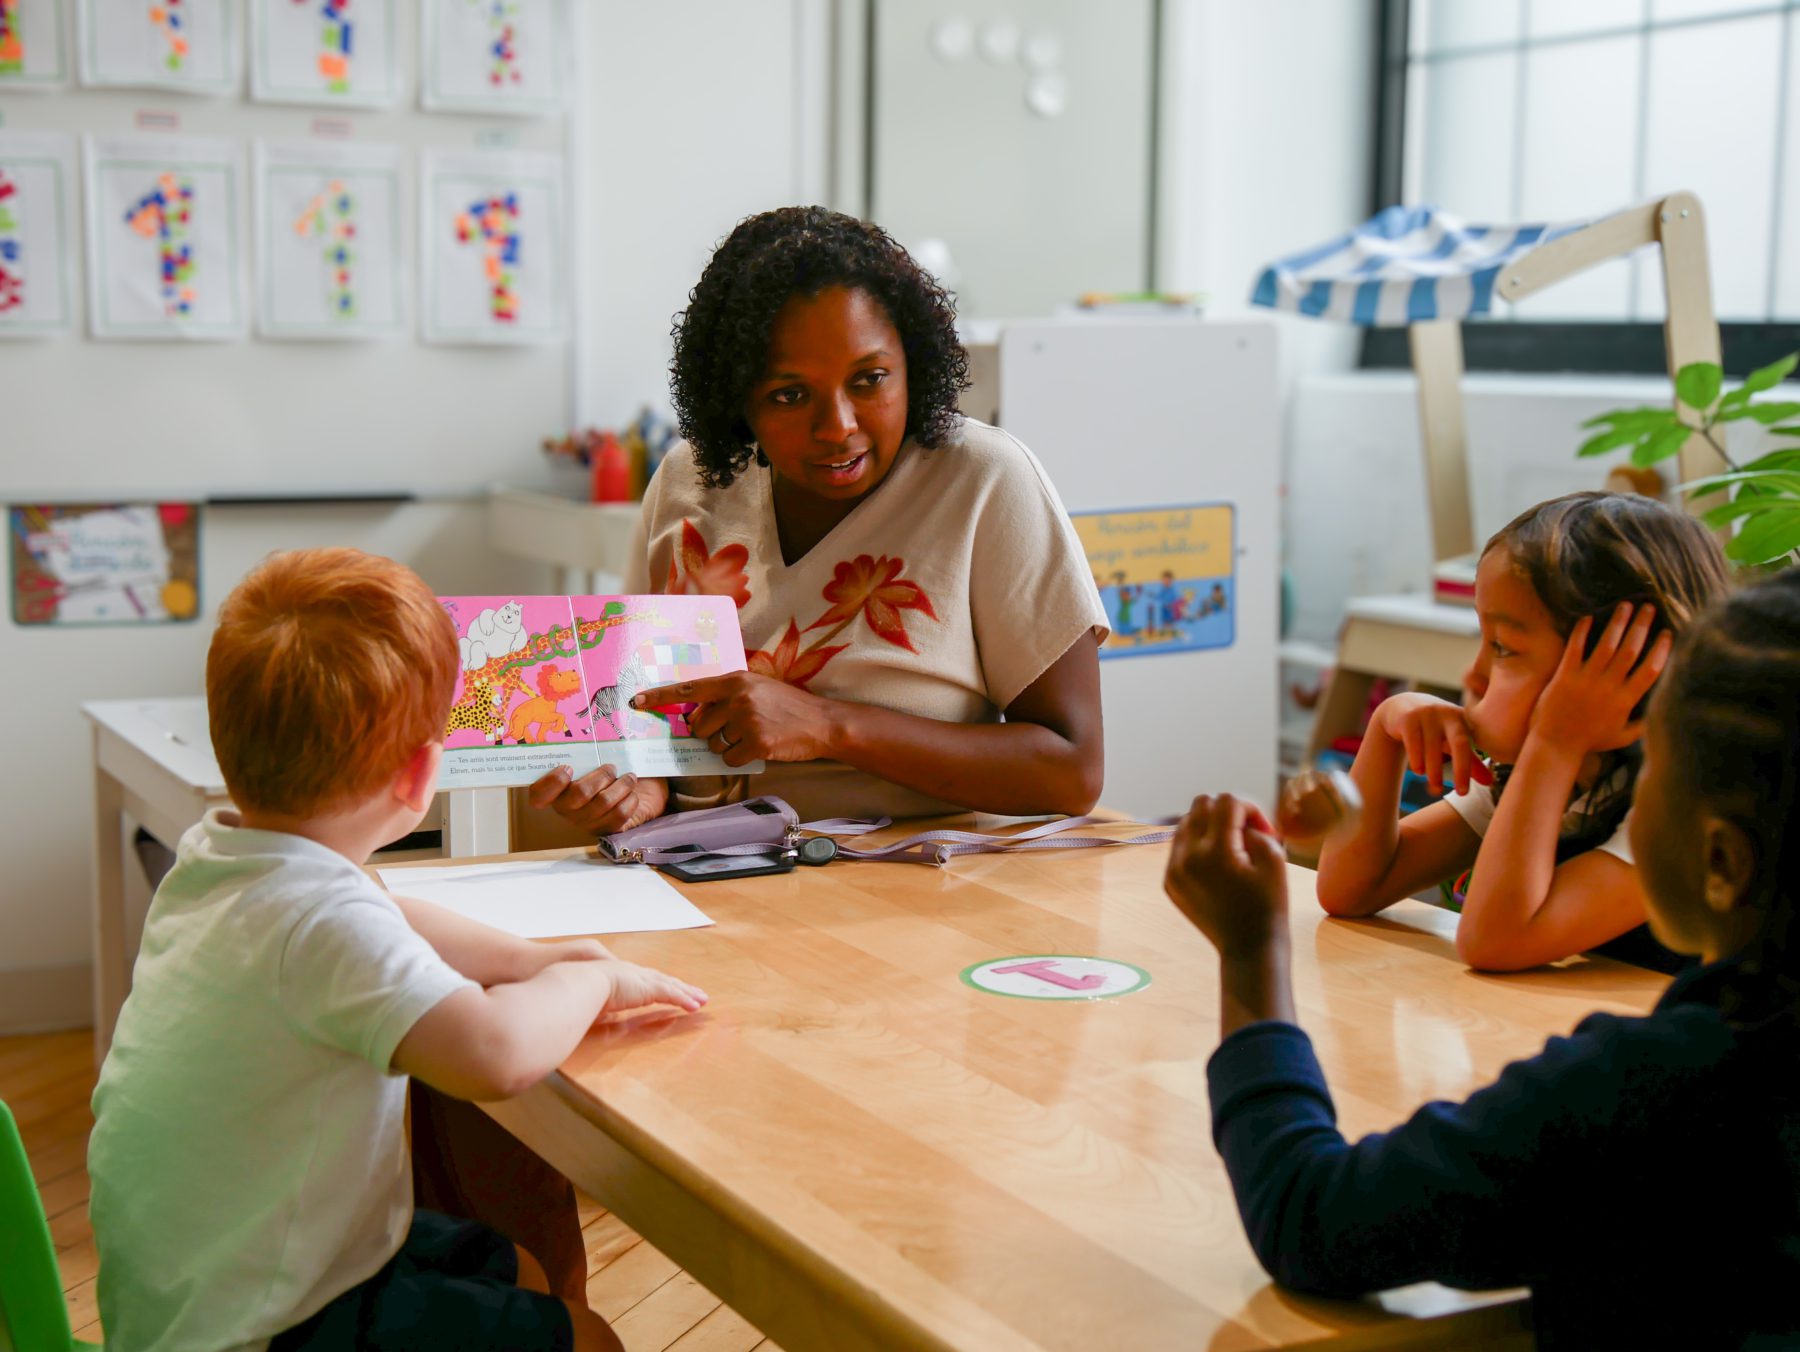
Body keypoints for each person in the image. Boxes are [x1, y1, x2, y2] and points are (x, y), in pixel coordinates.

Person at [1163, 568, 1800, 1349]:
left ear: (1723, 861)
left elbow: (1311, 1220)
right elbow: (1351, 884)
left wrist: (1253, 949)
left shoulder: (1659, 1093)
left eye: (1660, 764)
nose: (1471, 674)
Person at [88, 548, 706, 1352]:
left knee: (510, 1264)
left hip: (205, 1274)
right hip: (268, 1325)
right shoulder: (323, 926)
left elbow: (388, 910)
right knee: (590, 1340)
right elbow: (494, 1052)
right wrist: (592, 979)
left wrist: (531, 960)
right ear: (421, 777)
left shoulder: (220, 857)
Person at [530, 205, 1107, 836]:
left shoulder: (985, 482)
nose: (838, 426)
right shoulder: (687, 482)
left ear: (914, 363)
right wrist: (643, 786)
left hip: (914, 897)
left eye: (870, 379)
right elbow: (645, 715)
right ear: (737, 397)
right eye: (789, 394)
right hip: (702, 871)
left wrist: (828, 726)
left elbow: (1072, 771)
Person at [1316, 491, 1729, 971]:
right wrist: (1387, 729)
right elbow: (1349, 889)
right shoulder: (1536, 775)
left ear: (1624, 668)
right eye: (1483, 640)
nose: (1471, 677)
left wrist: (1556, 741)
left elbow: (1494, 942)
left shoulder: (1682, 809)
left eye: (1504, 648)